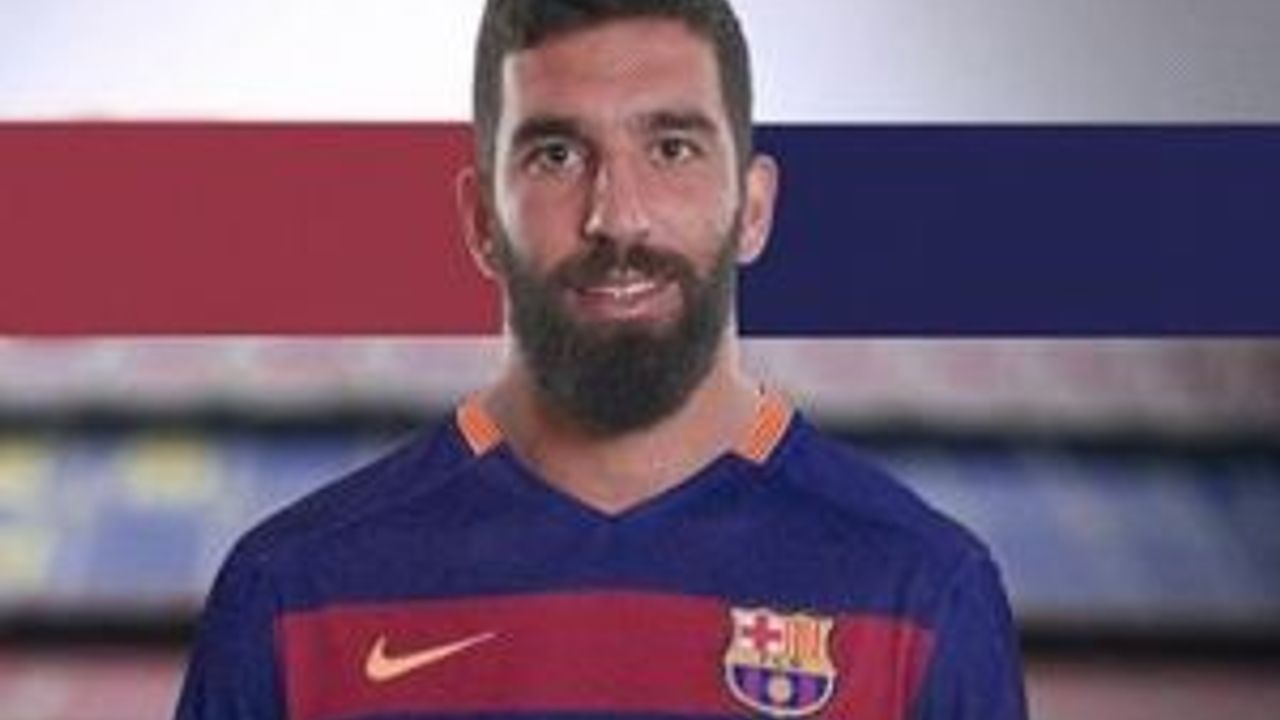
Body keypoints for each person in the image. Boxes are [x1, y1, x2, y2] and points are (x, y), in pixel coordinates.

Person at [175, 1, 1027, 718]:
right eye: (556, 155)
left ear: (755, 207)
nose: (617, 218)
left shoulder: (924, 595)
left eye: (672, 148)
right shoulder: (290, 596)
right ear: (481, 221)